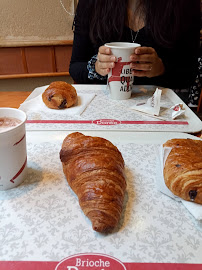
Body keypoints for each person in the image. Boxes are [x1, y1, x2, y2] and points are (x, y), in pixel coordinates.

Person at [69, 0, 201, 101]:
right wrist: (97, 67)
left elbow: (189, 75)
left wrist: (161, 69)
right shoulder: (92, 4)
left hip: (163, 109)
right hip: (105, 107)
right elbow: (75, 67)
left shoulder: (185, 4)